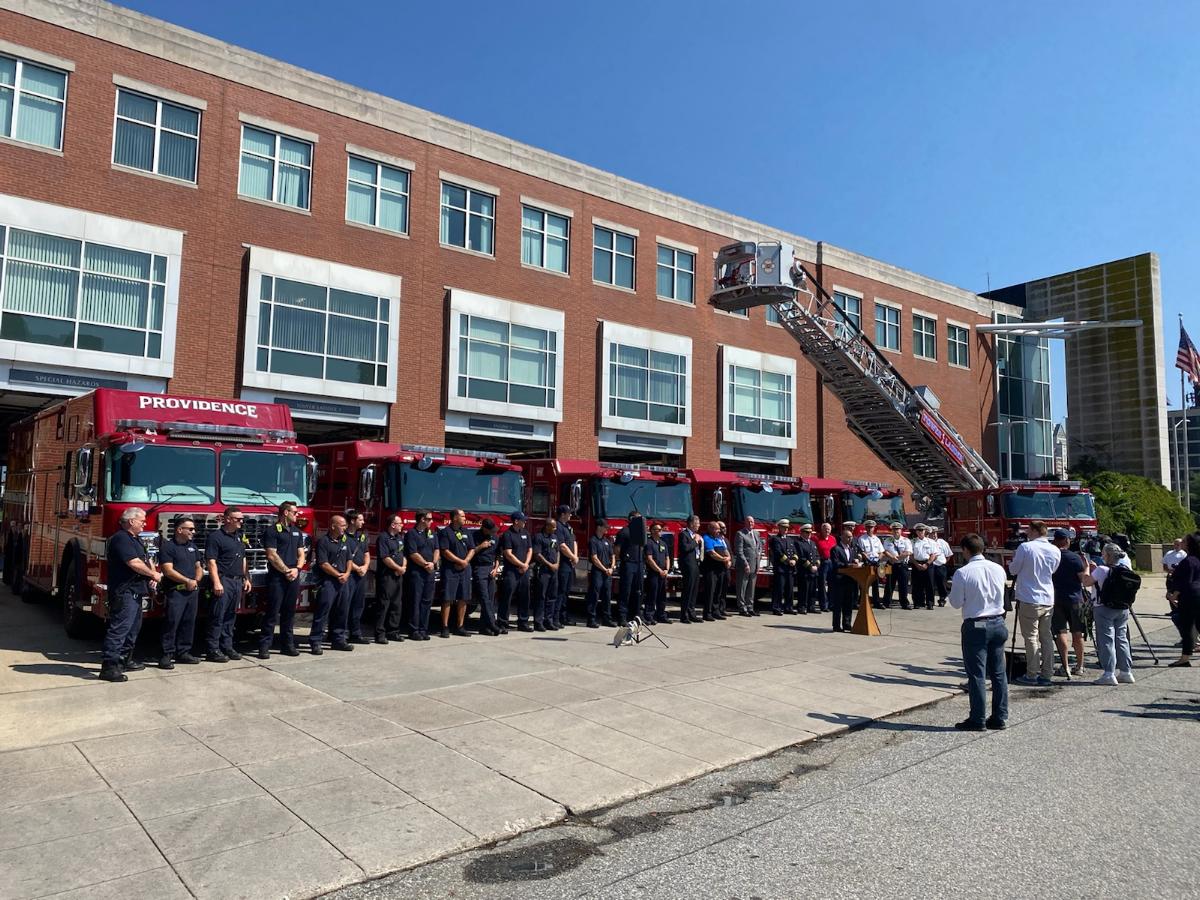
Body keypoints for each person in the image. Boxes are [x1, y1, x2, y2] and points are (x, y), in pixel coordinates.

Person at [947, 533, 1009, 731]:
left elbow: (956, 603)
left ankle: (977, 718)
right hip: (998, 621)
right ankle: (999, 716)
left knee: (977, 675)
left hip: (977, 623)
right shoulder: (998, 568)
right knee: (999, 674)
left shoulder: (963, 572)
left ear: (965, 550)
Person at [100, 507, 161, 681]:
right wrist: (153, 574)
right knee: (120, 629)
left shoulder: (135, 539)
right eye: (142, 520)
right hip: (124, 592)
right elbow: (133, 563)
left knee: (133, 629)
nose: (145, 523)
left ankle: (124, 660)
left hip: (136, 591)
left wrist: (151, 576)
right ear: (131, 521)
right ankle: (109, 667)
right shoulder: (121, 539)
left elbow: (145, 559)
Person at [1010, 521, 1060, 686]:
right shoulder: (1055, 549)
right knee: (1046, 637)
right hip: (1047, 597)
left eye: (1029, 530)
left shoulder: (1026, 547)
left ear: (1034, 531)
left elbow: (1013, 570)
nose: (1026, 533)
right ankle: (1047, 673)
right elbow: (1053, 571)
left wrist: (1013, 563)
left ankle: (1032, 673)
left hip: (1030, 597)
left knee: (1031, 637)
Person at [1084, 542, 1136, 685]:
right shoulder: (1125, 568)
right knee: (1122, 638)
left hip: (1103, 607)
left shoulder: (1101, 569)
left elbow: (1087, 582)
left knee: (1106, 640)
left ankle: (1108, 673)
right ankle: (1126, 672)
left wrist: (1088, 569)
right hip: (1123, 608)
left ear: (1106, 555)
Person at [205, 506, 251, 662]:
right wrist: (216, 582)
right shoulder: (215, 537)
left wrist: (246, 577)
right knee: (218, 615)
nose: (241, 521)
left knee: (231, 616)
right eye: (238, 519)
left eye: (242, 519)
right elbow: (211, 561)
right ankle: (213, 649)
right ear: (228, 519)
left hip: (237, 581)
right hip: (224, 579)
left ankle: (227, 646)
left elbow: (243, 558)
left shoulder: (239, 536)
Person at [157, 515, 202, 669]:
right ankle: (166, 654)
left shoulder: (193, 546)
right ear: (179, 530)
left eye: (193, 529)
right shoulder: (168, 547)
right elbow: (168, 571)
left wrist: (196, 579)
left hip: (192, 591)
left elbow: (199, 567)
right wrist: (186, 581)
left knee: (189, 622)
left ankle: (184, 652)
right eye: (190, 529)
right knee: (172, 622)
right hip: (176, 591)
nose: (193, 532)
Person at [261, 501, 305, 658]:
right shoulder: (272, 531)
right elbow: (272, 555)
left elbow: (301, 554)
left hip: (293, 576)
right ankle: (265, 646)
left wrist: (297, 569)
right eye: (294, 512)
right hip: (277, 577)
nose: (297, 514)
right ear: (285, 513)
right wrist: (286, 570)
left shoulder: (296, 531)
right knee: (272, 612)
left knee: (290, 612)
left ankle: (287, 645)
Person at [310, 514, 352, 654]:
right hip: (328, 581)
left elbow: (349, 560)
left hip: (343, 581)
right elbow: (323, 563)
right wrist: (337, 574)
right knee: (323, 612)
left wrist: (346, 574)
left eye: (345, 525)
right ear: (333, 526)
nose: (344, 528)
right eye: (342, 525)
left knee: (342, 611)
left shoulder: (344, 541)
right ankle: (316, 641)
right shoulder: (323, 542)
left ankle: (338, 639)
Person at [1050, 528, 1088, 678]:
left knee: (1060, 633)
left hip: (1056, 598)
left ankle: (1065, 666)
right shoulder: (1074, 558)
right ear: (1066, 541)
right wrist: (1087, 568)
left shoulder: (1051, 557)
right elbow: (1083, 579)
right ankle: (1079, 666)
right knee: (1077, 633)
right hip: (1075, 599)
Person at [438, 508, 475, 639]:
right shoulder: (445, 532)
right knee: (448, 598)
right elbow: (444, 551)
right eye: (463, 516)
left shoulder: (466, 532)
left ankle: (460, 626)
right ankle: (445, 626)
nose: (465, 518)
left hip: (465, 569)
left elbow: (472, 549)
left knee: (463, 597)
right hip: (450, 570)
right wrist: (459, 561)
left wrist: (465, 561)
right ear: (454, 518)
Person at [1166, 531, 1200, 667]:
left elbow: (1184, 582)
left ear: (1189, 544)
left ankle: (1185, 658)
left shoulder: (1188, 561)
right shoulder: (1197, 559)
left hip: (1189, 596)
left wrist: (1173, 596)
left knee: (1187, 627)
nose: (1182, 543)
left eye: (1184, 541)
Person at [404, 511, 439, 641]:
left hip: (429, 572)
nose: (432, 521)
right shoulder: (411, 534)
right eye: (429, 519)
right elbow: (413, 553)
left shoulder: (431, 533)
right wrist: (425, 564)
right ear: (422, 520)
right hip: (417, 572)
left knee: (427, 601)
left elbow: (437, 549)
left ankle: (423, 629)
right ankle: (414, 630)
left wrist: (433, 563)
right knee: (415, 601)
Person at [374, 514, 407, 643]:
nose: (402, 525)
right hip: (387, 576)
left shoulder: (399, 538)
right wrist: (397, 568)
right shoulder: (383, 538)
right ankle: (380, 633)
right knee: (384, 605)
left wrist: (403, 566)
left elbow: (402, 554)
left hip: (398, 576)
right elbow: (385, 557)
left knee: (396, 604)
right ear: (393, 525)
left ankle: (393, 631)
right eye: (399, 523)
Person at [498, 512, 532, 633]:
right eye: (523, 520)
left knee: (525, 597)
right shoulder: (507, 534)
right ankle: (502, 622)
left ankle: (523, 622)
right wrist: (521, 564)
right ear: (516, 521)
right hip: (512, 571)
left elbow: (530, 550)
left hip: (524, 570)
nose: (525, 522)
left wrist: (526, 564)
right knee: (507, 597)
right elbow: (508, 553)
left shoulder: (525, 533)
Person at [343, 509, 371, 645]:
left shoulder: (362, 536)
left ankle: (356, 633)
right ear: (352, 521)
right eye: (360, 519)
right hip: (350, 574)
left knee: (358, 605)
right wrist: (356, 568)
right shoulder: (344, 537)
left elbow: (366, 553)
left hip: (361, 574)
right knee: (345, 604)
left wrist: (365, 567)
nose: (363, 522)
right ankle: (342, 633)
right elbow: (344, 557)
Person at [470, 518, 502, 636]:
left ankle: (485, 627)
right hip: (479, 568)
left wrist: (496, 568)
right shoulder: (474, 536)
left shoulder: (495, 537)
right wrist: (481, 546)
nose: (493, 533)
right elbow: (470, 552)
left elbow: (497, 555)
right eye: (491, 531)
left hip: (491, 569)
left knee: (490, 598)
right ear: (484, 528)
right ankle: (492, 624)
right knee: (484, 598)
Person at [615, 511, 646, 625]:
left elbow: (642, 547)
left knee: (638, 590)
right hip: (628, 564)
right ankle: (622, 616)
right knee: (625, 591)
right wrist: (621, 560)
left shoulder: (640, 533)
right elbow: (617, 549)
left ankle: (637, 614)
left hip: (639, 563)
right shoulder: (624, 532)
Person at [829, 527, 861, 632]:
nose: (850, 539)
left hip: (850, 580)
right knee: (838, 604)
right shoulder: (836, 549)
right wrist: (849, 565)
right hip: (839, 580)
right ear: (842, 537)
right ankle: (836, 625)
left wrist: (856, 562)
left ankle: (847, 624)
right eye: (847, 537)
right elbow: (836, 564)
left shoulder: (851, 549)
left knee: (848, 603)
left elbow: (853, 561)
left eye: (851, 537)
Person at [532, 517, 560, 631]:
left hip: (553, 571)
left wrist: (557, 563)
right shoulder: (539, 537)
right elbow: (537, 554)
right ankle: (538, 622)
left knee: (552, 596)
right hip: (543, 570)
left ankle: (549, 620)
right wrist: (549, 564)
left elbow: (557, 551)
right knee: (541, 597)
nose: (555, 529)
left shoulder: (554, 537)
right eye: (553, 527)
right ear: (547, 526)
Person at [586, 519, 614, 628]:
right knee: (594, 594)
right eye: (605, 527)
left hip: (607, 571)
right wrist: (604, 569)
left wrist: (611, 567)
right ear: (599, 527)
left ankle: (607, 618)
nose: (607, 529)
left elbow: (612, 555)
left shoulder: (607, 541)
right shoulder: (593, 541)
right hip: (598, 571)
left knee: (607, 596)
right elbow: (594, 558)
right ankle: (591, 619)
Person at [554, 505, 578, 627]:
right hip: (563, 563)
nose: (570, 515)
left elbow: (574, 541)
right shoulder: (558, 527)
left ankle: (563, 616)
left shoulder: (568, 527)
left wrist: (575, 556)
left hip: (570, 563)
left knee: (567, 591)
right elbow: (562, 546)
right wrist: (572, 557)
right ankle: (556, 617)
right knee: (560, 591)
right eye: (569, 513)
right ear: (562, 514)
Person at [701, 520, 731, 621]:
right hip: (711, 569)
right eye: (717, 529)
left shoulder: (719, 539)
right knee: (710, 591)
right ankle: (707, 613)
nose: (719, 531)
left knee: (718, 591)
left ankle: (716, 611)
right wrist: (723, 559)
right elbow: (712, 553)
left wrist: (728, 559)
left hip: (721, 569)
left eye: (719, 529)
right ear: (710, 528)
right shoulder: (707, 538)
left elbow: (726, 550)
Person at [676, 514, 702, 624]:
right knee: (688, 589)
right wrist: (695, 541)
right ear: (691, 524)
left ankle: (692, 613)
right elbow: (685, 548)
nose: (699, 526)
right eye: (697, 524)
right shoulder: (684, 534)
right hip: (688, 565)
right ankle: (684, 614)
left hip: (695, 563)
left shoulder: (695, 535)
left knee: (694, 590)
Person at [853, 520, 885, 608]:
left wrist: (878, 559)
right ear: (866, 528)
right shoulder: (862, 539)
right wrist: (869, 559)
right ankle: (864, 602)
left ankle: (876, 602)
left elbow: (882, 552)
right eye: (868, 527)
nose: (870, 529)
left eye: (871, 527)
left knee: (875, 584)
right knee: (865, 584)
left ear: (874, 528)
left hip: (876, 563)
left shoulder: (877, 539)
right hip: (867, 563)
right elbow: (862, 552)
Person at [733, 517, 761, 616]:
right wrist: (745, 563)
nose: (750, 523)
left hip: (754, 565)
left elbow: (759, 548)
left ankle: (750, 607)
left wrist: (758, 562)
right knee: (742, 587)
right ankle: (742, 608)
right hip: (744, 565)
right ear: (744, 523)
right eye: (748, 522)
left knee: (751, 588)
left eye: (752, 522)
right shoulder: (740, 534)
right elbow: (739, 551)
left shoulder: (756, 533)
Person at [644, 522, 671, 624]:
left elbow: (667, 557)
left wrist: (666, 570)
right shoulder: (649, 543)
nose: (660, 531)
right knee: (652, 594)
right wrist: (659, 570)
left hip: (663, 574)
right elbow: (649, 559)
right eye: (658, 530)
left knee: (662, 596)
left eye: (661, 530)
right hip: (654, 573)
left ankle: (661, 615)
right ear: (652, 531)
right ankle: (649, 615)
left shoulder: (663, 543)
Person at [769, 519, 797, 616]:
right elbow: (778, 553)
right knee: (779, 589)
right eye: (784, 528)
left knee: (789, 589)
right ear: (779, 528)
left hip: (789, 569)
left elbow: (794, 552)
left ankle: (788, 607)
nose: (785, 529)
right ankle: (776, 607)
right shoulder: (775, 539)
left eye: (787, 528)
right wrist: (788, 561)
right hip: (780, 568)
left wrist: (794, 559)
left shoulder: (790, 540)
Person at [882, 522, 912, 610]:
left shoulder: (906, 540)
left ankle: (904, 603)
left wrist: (898, 557)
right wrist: (892, 557)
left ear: (901, 530)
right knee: (889, 584)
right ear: (892, 531)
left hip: (902, 565)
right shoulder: (888, 540)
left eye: (897, 529)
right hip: (890, 565)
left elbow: (908, 552)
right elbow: (885, 551)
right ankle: (886, 602)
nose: (896, 531)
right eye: (894, 529)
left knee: (903, 585)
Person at [795, 523, 820, 614]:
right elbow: (801, 557)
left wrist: (817, 565)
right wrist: (810, 567)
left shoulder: (812, 543)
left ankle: (811, 606)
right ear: (801, 532)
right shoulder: (798, 543)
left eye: (810, 532)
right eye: (807, 532)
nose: (809, 534)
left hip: (813, 571)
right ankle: (802, 607)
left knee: (812, 590)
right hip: (804, 571)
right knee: (804, 590)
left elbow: (817, 555)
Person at [910, 524, 936, 611]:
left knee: (929, 585)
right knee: (916, 584)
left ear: (925, 531)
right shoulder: (912, 542)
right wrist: (916, 564)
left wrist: (927, 564)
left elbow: (933, 555)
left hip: (927, 564)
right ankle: (917, 603)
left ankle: (930, 603)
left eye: (922, 530)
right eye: (918, 530)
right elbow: (911, 555)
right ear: (916, 532)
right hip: (916, 564)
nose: (920, 532)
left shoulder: (931, 542)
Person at [814, 522, 837, 612]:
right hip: (822, 562)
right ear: (821, 529)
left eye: (828, 529)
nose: (827, 530)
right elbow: (814, 551)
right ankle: (824, 605)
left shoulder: (833, 539)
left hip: (831, 562)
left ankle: (831, 604)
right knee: (822, 585)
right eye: (825, 528)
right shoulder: (816, 538)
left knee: (832, 584)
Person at [930, 526, 952, 606]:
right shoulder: (927, 542)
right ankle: (930, 601)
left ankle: (942, 599)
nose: (934, 535)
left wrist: (944, 562)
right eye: (932, 533)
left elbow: (949, 555)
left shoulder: (942, 542)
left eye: (935, 533)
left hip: (940, 566)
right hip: (931, 566)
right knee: (930, 584)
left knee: (941, 584)